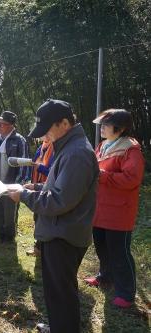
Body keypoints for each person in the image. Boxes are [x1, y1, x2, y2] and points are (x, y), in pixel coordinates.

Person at [8, 99, 99, 333]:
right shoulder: (66, 146)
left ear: (65, 123)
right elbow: (59, 188)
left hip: (64, 235)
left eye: (47, 128)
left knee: (62, 293)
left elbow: (60, 201)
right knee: (56, 292)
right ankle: (59, 326)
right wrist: (35, 189)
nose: (44, 136)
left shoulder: (76, 153)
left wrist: (24, 197)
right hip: (59, 231)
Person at [83, 109, 145, 308]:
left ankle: (126, 294)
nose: (102, 127)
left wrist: (103, 176)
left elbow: (132, 179)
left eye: (106, 125)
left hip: (119, 211)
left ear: (120, 128)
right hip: (100, 209)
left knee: (120, 252)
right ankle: (105, 277)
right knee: (102, 247)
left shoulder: (130, 149)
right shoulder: (102, 146)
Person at [0, 111, 29, 242]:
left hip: (11, 183)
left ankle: (9, 236)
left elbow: (23, 164)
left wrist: (18, 185)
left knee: (9, 211)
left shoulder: (19, 140)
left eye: (2, 124)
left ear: (11, 125)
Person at [26, 138, 54, 256]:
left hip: (47, 189)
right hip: (36, 186)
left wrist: (40, 167)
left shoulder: (55, 148)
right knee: (37, 218)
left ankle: (41, 249)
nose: (44, 136)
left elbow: (53, 172)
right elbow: (33, 163)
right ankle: (38, 247)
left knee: (43, 220)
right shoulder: (41, 147)